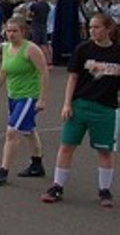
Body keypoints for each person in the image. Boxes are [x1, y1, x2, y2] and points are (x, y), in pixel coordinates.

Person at [41, 12, 120, 207]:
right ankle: (57, 186)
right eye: (90, 27)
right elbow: (73, 78)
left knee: (104, 151)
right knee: (67, 146)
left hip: (106, 108)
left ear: (108, 29)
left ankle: (104, 190)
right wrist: (67, 103)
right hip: (80, 105)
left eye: (96, 27)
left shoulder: (117, 52)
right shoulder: (82, 49)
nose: (92, 31)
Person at [0, 17, 50, 186]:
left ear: (23, 32)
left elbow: (44, 72)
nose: (11, 34)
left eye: (15, 31)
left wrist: (42, 99)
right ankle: (37, 164)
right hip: (13, 95)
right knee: (28, 130)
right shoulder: (5, 48)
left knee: (12, 132)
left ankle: (3, 171)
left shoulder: (31, 49)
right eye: (8, 30)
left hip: (28, 96)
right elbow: (3, 71)